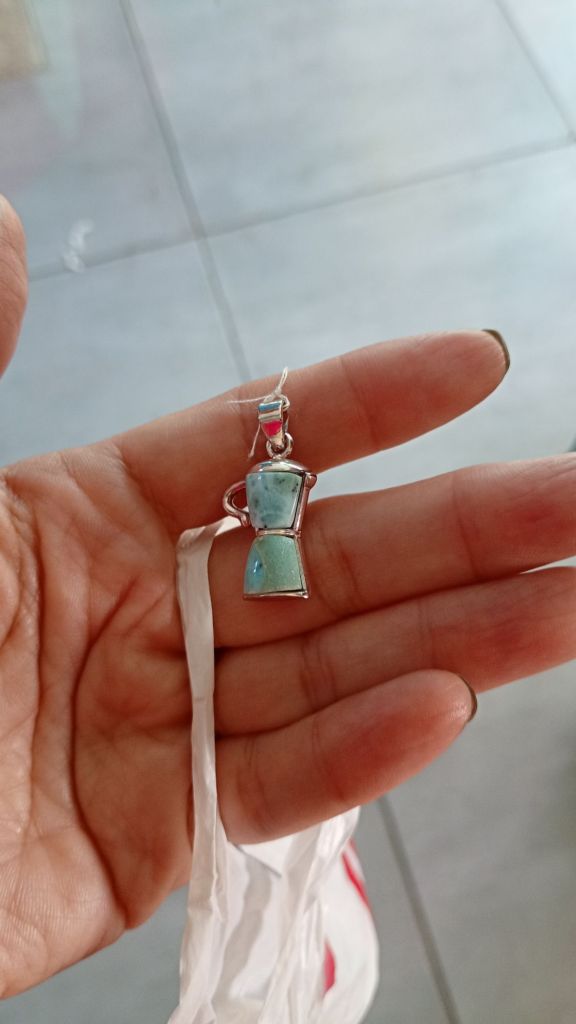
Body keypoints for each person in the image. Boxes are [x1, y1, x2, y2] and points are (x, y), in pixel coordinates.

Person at [1, 195, 575, 1000]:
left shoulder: (275, 482)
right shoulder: (281, 479)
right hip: (270, 563)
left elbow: (246, 501)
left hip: (273, 559)